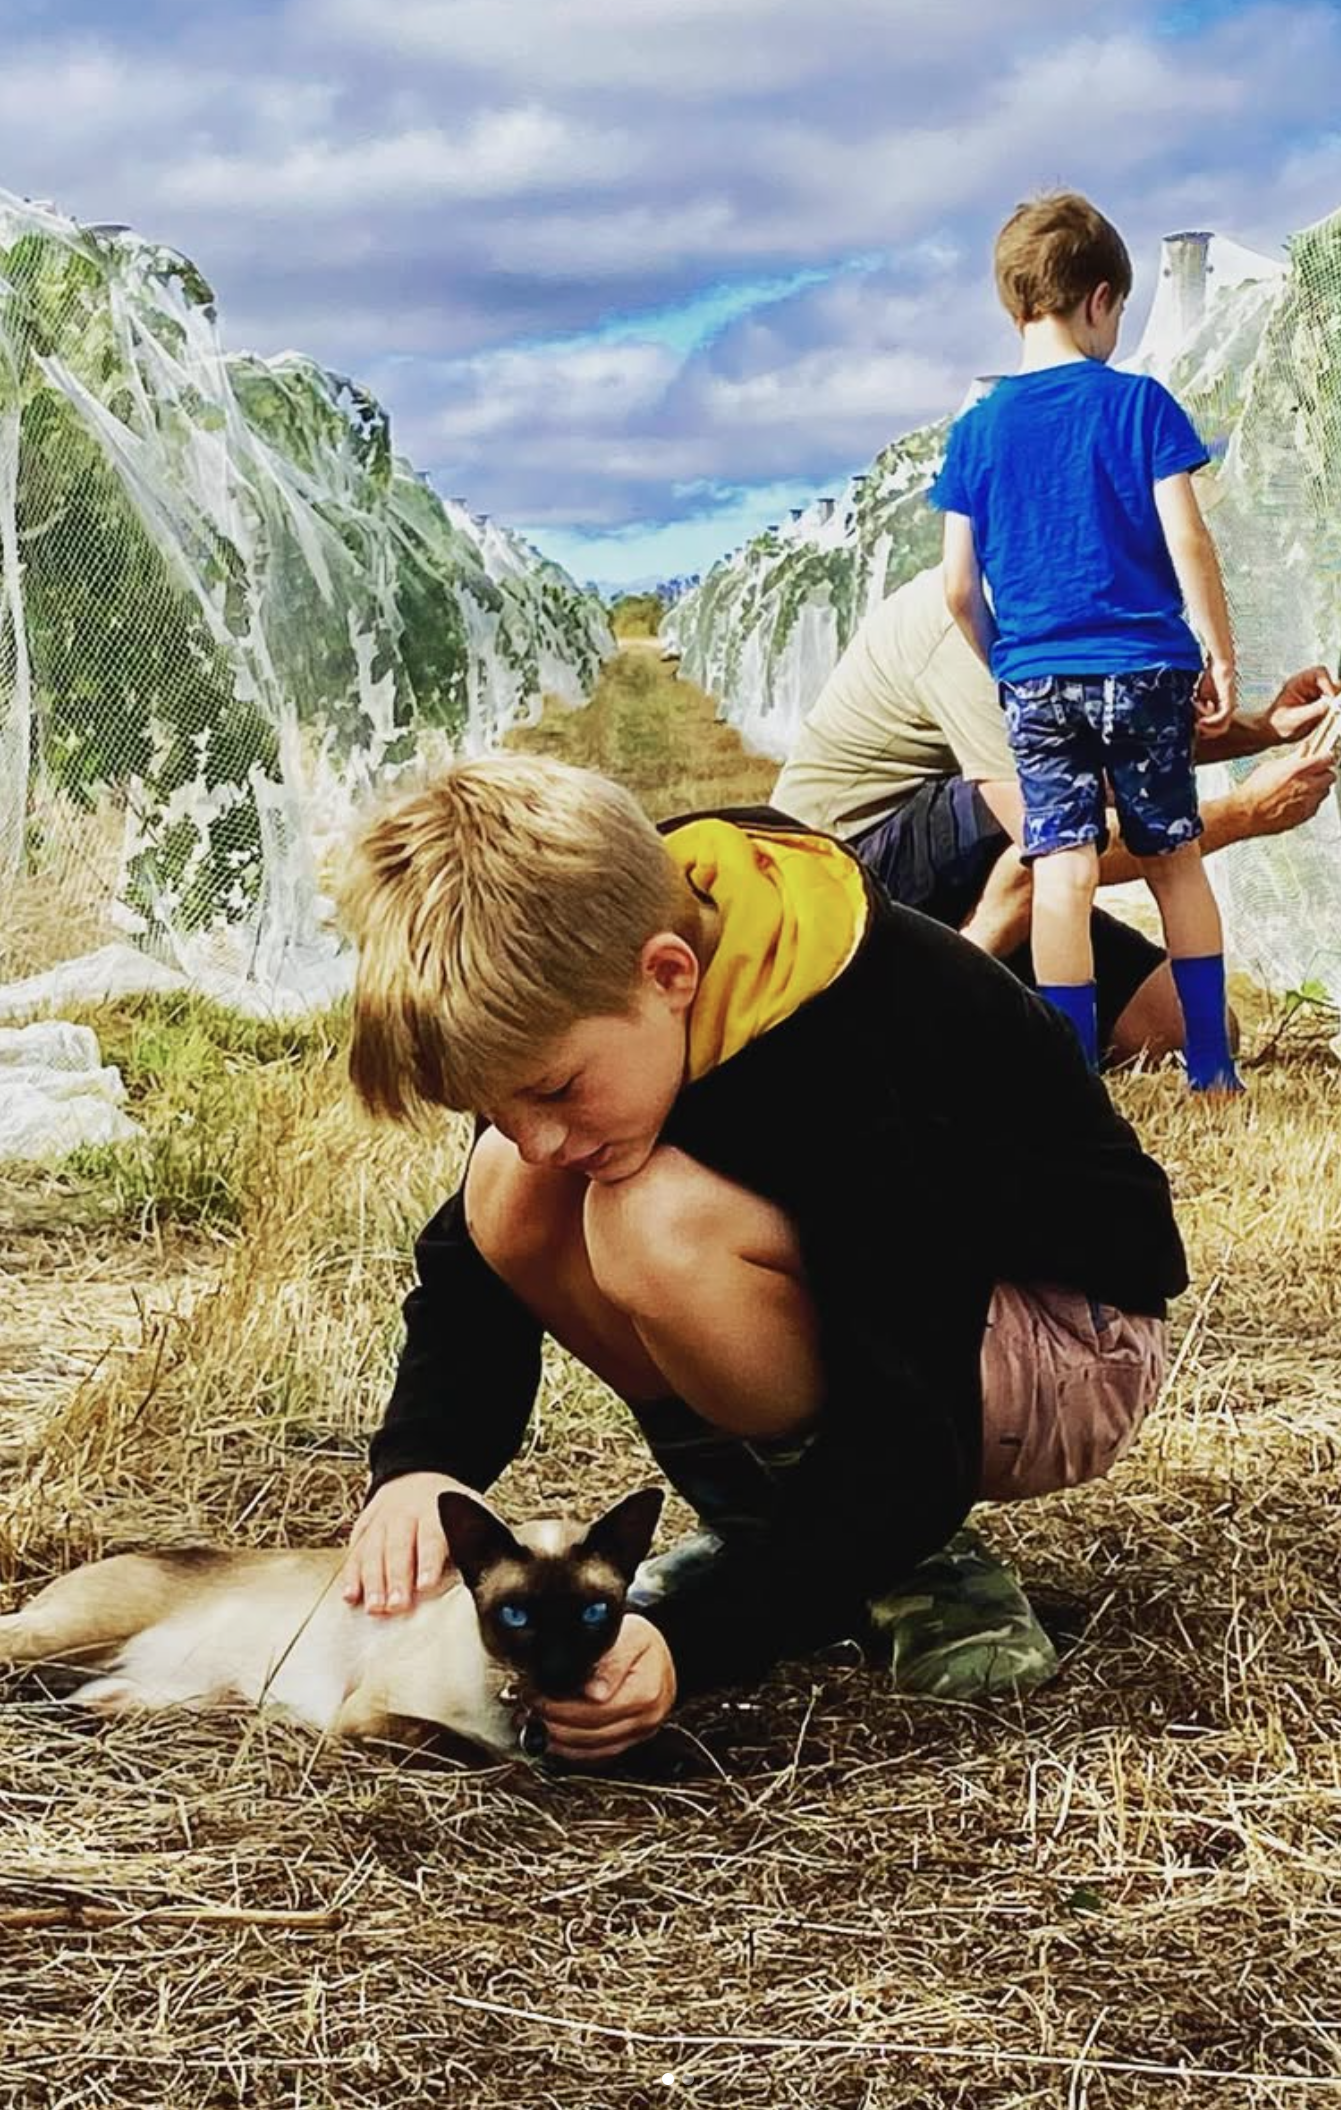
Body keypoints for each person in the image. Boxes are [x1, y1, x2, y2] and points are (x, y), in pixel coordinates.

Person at [333, 755, 1189, 1761]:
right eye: (495, 1107)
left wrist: (695, 1644)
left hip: (1059, 1342)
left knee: (649, 1220)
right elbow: (471, 1266)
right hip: (899, 1332)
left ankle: (908, 1568)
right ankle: (767, 1529)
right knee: (503, 1195)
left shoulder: (845, 1050)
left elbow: (912, 1425)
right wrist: (421, 1464)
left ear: (667, 974)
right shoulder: (616, 968)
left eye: (555, 1092)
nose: (539, 1135)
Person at [933, 190, 1254, 1090]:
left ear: (1015, 303)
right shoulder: (1139, 407)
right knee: (1173, 862)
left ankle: (1071, 1074)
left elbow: (959, 583)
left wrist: (1008, 662)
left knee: (1063, 869)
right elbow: (1187, 538)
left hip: (1038, 676)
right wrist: (1218, 652)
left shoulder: (977, 432)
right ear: (1102, 299)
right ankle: (1213, 1069)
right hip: (1145, 668)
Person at [771, 565, 1338, 1065]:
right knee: (1050, 824)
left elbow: (1122, 746)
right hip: (840, 878)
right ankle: (924, 1011)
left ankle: (988, 1006)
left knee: (1184, 1028)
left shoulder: (1072, 608)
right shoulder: (971, 620)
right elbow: (1048, 838)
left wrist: (1263, 730)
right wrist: (1244, 813)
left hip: (949, 874)